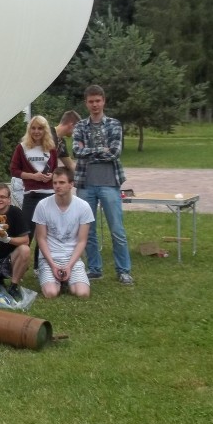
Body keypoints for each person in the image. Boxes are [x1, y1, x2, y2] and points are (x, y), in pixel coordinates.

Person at [72, 84, 134, 285]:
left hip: (109, 184)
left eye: (98, 101)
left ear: (104, 101)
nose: (95, 105)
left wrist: (89, 149)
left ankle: (123, 270)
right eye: (91, 101)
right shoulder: (80, 126)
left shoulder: (114, 124)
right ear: (86, 103)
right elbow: (76, 152)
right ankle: (94, 268)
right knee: (87, 230)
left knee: (117, 229)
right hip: (85, 184)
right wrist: (100, 150)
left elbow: (115, 152)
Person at [33, 167, 93, 299]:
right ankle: (57, 279)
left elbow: (82, 241)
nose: (57, 186)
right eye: (55, 183)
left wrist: (70, 265)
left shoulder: (83, 207)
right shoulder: (42, 205)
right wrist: (53, 265)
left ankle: (66, 278)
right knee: (51, 293)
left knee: (82, 294)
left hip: (72, 258)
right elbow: (41, 239)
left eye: (61, 182)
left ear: (71, 184)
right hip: (50, 258)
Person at [10, 115, 59, 269]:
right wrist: (33, 176)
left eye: (40, 128)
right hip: (31, 194)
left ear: (45, 130)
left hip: (50, 194)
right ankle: (17, 265)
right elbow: (14, 170)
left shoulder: (51, 148)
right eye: (33, 128)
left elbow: (56, 168)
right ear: (29, 129)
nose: (37, 131)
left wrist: (52, 176)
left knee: (45, 232)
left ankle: (40, 266)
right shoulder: (22, 147)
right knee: (26, 232)